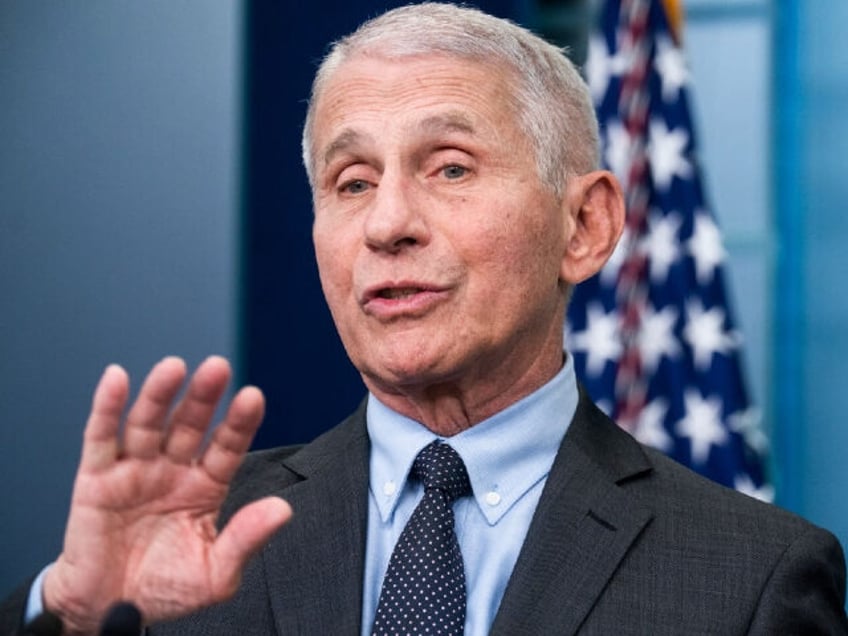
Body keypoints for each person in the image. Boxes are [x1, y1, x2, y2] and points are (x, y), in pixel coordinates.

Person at [2, 3, 847, 634]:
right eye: (353, 182)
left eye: (449, 168)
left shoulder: (750, 578)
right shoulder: (197, 534)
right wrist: (68, 614)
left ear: (584, 226)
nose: (387, 224)